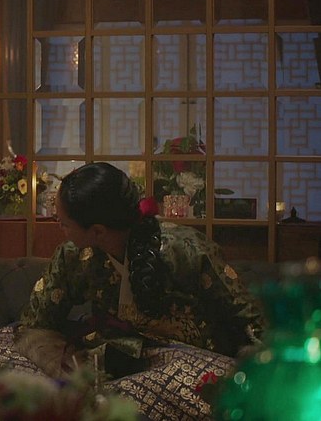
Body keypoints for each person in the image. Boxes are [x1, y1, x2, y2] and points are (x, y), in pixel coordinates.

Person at [14, 162, 264, 379]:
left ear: (98, 231)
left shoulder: (187, 249)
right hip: (114, 362)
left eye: (64, 223)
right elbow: (35, 323)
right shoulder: (73, 255)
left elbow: (252, 322)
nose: (60, 228)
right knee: (3, 355)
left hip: (188, 364)